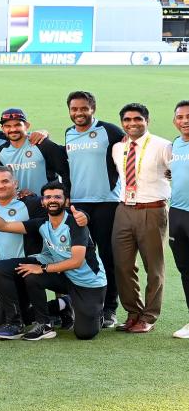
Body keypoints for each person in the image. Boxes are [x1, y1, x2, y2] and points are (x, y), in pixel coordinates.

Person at [0, 181, 107, 341]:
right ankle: (45, 325)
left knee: (85, 333)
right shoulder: (42, 223)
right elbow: (4, 226)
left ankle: (73, 306)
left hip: (89, 283)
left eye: (57, 197)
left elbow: (76, 261)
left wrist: (43, 268)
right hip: (64, 277)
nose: (52, 200)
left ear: (66, 201)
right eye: (48, 197)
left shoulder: (76, 223)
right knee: (17, 273)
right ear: (42, 202)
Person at [64, 90, 126, 328]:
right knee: (80, 256)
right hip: (79, 204)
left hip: (106, 203)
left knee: (108, 256)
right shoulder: (69, 133)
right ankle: (82, 306)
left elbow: (131, 151)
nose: (79, 113)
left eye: (83, 108)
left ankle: (110, 309)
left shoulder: (109, 131)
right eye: (74, 109)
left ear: (93, 109)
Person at [111, 103, 172, 333]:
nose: (132, 123)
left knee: (154, 267)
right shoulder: (118, 147)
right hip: (124, 209)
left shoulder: (163, 145)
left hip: (152, 210)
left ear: (147, 121)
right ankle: (133, 313)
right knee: (123, 265)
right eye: (127, 120)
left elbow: (179, 170)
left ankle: (149, 316)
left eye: (137, 119)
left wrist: (172, 174)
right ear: (122, 123)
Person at [0, 108, 69, 195]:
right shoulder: (0, 152)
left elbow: (66, 172)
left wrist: (66, 196)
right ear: (2, 129)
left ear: (27, 126)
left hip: (45, 201)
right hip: (17, 203)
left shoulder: (42, 144)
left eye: (17, 125)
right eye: (8, 126)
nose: (13, 129)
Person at [171, 100, 189, 338]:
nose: (185, 121)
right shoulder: (175, 144)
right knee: (185, 269)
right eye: (180, 117)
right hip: (177, 214)